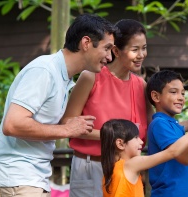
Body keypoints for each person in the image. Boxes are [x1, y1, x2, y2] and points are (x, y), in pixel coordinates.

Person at [0, 14, 118, 197]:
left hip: (30, 179)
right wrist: (67, 130)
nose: (110, 57)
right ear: (86, 43)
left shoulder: (63, 76)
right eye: (107, 48)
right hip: (17, 179)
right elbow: (12, 124)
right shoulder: (44, 70)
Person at [60, 19, 153, 197]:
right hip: (91, 166)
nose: (141, 54)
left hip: (125, 170)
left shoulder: (141, 85)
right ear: (116, 51)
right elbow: (67, 123)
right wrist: (113, 138)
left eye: (144, 48)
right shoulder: (91, 77)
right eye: (135, 49)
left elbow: (152, 128)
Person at [101, 115, 188, 196]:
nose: (141, 142)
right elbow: (172, 152)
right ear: (120, 144)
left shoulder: (110, 170)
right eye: (136, 138)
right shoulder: (131, 164)